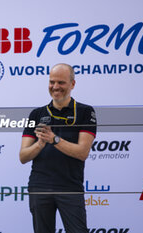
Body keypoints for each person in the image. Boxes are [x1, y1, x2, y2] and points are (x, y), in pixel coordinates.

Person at [19, 63, 97, 233]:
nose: (55, 87)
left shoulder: (85, 112)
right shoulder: (36, 114)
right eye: (52, 82)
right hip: (39, 186)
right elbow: (23, 156)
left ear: (72, 84)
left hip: (70, 186)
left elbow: (83, 152)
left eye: (61, 82)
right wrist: (40, 144)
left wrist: (54, 139)